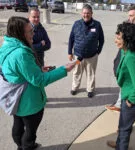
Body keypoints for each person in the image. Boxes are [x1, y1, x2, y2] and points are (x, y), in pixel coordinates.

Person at [0, 16, 75, 150]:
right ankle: (27, 146)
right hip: (28, 102)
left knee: (17, 125)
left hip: (14, 100)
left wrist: (37, 69)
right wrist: (64, 70)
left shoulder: (6, 45)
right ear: (19, 33)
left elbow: (17, 71)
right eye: (30, 31)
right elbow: (39, 80)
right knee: (30, 132)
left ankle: (20, 145)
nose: (33, 34)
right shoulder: (21, 53)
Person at [107, 22, 135, 150]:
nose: (115, 41)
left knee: (124, 129)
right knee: (124, 126)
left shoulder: (132, 57)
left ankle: (121, 146)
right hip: (128, 94)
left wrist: (131, 100)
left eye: (119, 38)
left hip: (133, 99)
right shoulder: (129, 51)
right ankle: (120, 143)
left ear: (127, 39)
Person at [106, 4, 135, 112]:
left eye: (131, 15)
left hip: (131, 68)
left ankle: (125, 108)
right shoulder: (129, 28)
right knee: (124, 89)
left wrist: (132, 68)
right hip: (123, 64)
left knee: (131, 90)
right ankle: (120, 105)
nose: (128, 18)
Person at [68, 4, 104, 98]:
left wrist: (98, 52)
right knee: (76, 73)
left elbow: (102, 39)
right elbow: (71, 39)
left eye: (88, 13)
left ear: (92, 13)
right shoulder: (76, 24)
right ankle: (75, 87)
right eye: (84, 13)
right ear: (81, 13)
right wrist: (69, 52)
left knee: (91, 74)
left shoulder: (97, 24)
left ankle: (90, 89)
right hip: (78, 56)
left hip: (91, 56)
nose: (86, 15)